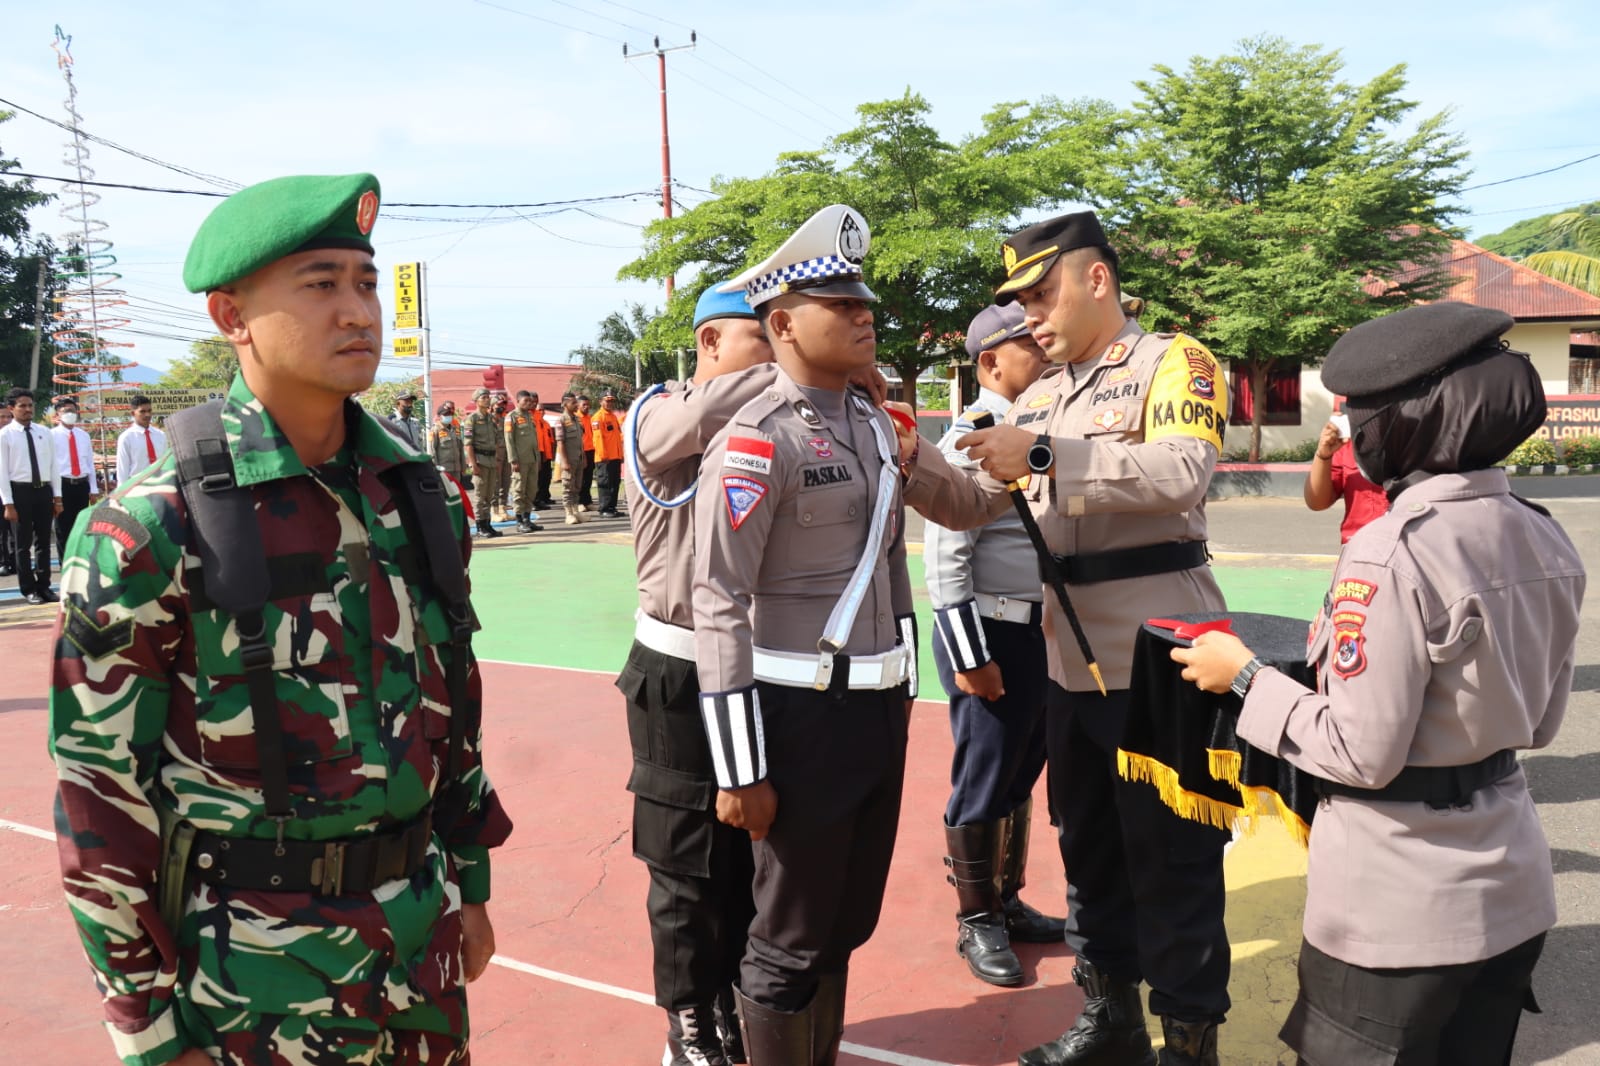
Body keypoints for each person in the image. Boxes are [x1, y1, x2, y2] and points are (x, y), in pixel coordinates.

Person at [48, 172, 513, 1066]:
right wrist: (144, 1028)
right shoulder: (150, 526)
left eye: (366, 283)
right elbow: (100, 797)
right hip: (251, 980)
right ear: (232, 316)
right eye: (320, 283)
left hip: (420, 953)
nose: (358, 312)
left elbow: (451, 709)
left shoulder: (419, 497)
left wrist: (471, 886)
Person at [1171, 302, 1586, 1066]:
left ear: (1409, 420)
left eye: (1361, 410)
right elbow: (1544, 722)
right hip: (1511, 882)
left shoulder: (1389, 551)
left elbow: (1360, 751)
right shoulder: (1542, 531)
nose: (1351, 426)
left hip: (1398, 903)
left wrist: (1246, 678)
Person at [894, 210, 1233, 1066]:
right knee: (1089, 851)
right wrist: (906, 456)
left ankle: (1190, 1042)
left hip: (1165, 657)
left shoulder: (1173, 362)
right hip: (1069, 661)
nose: (1030, 317)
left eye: (1041, 294)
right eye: (1019, 302)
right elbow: (971, 503)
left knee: (1175, 861)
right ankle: (1112, 1017)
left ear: (1098, 279)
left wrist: (1040, 455)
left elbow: (1182, 472)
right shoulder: (1040, 393)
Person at [694, 204, 917, 1064]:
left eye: (864, 302)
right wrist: (741, 767)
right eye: (841, 304)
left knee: (844, 920)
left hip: (877, 708)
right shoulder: (757, 440)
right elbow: (717, 597)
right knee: (786, 937)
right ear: (781, 323)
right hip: (798, 719)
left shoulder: (873, 425)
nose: (864, 314)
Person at [622, 284, 779, 1066]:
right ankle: (687, 1025)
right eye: (767, 336)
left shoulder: (771, 422)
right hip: (678, 670)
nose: (781, 349)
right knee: (685, 864)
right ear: (711, 342)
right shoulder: (659, 410)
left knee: (751, 856)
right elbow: (684, 429)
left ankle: (728, 1005)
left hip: (756, 667)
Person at [924, 303, 1062, 989]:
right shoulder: (972, 436)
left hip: (1036, 631)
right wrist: (969, 656)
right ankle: (975, 919)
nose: (1043, 352)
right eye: (1027, 346)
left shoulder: (1035, 431)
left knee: (1019, 768)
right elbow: (947, 555)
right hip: (990, 631)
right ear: (990, 363)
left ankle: (1005, 900)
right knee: (984, 773)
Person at [0, 388, 62, 604]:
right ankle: (28, 589)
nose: (27, 410)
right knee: (22, 543)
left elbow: (54, 466)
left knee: (44, 541)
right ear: (11, 409)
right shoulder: (5, 435)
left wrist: (58, 497)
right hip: (20, 491)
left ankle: (44, 585)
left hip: (43, 490)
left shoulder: (44, 432)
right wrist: (8, 503)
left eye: (30, 405)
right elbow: (2, 472)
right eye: (22, 406)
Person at [1302, 402, 1386, 543]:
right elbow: (1317, 502)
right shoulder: (1347, 442)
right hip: (1359, 548)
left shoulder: (1417, 434)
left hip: (1410, 548)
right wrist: (1323, 455)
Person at [50, 396, 100, 565]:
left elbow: (89, 463)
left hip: (81, 485)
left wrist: (93, 489)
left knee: (81, 526)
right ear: (58, 414)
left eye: (72, 411)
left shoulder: (83, 435)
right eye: (66, 411)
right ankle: (66, 564)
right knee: (63, 528)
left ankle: (81, 562)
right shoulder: (51, 435)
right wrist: (54, 494)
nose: (70, 414)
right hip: (62, 485)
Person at [504, 389, 545, 532]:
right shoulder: (511, 417)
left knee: (531, 489)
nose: (529, 403)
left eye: (530, 401)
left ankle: (527, 519)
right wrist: (513, 460)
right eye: (525, 401)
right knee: (518, 490)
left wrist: (537, 459)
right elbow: (509, 441)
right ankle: (519, 521)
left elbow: (534, 440)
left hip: (532, 459)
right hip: (520, 460)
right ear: (518, 401)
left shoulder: (530, 416)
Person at [465, 386, 503, 538]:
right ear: (476, 401)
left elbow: (496, 441)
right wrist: (473, 464)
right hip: (480, 460)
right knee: (480, 496)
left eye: (488, 397)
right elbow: (468, 444)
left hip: (491, 459)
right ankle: (480, 525)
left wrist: (497, 460)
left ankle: (488, 524)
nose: (487, 400)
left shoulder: (490, 418)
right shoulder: (472, 419)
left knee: (489, 494)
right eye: (484, 398)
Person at [116, 395, 169, 485]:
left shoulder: (160, 435)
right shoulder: (126, 437)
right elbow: (122, 469)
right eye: (142, 411)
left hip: (160, 484)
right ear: (133, 413)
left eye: (149, 411)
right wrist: (122, 494)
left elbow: (165, 463)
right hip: (137, 486)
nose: (147, 415)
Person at [593, 390, 625, 518]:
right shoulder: (598, 418)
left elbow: (617, 437)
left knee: (615, 482)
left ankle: (612, 507)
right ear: (601, 402)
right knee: (605, 483)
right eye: (607, 400)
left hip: (615, 456)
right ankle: (604, 508)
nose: (610, 403)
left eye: (612, 401)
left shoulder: (612, 416)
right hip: (604, 458)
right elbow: (598, 438)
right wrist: (603, 455)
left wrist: (620, 454)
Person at [558, 392, 587, 525]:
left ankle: (576, 511)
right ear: (565, 404)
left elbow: (581, 441)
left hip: (578, 458)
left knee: (577, 486)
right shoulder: (561, 420)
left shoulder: (577, 419)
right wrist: (564, 461)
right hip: (568, 460)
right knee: (568, 487)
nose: (576, 405)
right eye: (573, 403)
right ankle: (568, 513)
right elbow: (560, 443)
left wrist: (584, 457)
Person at [533, 391, 556, 509]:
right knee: (537, 478)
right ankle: (536, 500)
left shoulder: (545, 423)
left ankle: (543, 497)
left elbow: (551, 440)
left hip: (546, 453)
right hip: (536, 453)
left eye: (543, 410)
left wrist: (550, 454)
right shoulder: (531, 418)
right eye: (539, 409)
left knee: (546, 477)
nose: (541, 412)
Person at [0, 399, 13, 576]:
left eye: (8, 416)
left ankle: (16, 561)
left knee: (16, 527)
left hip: (16, 486)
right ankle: (4, 561)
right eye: (1, 417)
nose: (5, 420)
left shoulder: (17, 435)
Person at [577, 394, 596, 509]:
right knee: (580, 478)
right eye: (584, 404)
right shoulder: (576, 419)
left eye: (588, 405)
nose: (587, 407)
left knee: (588, 478)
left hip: (591, 451)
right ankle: (579, 502)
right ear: (578, 405)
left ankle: (587, 501)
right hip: (580, 452)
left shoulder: (590, 418)